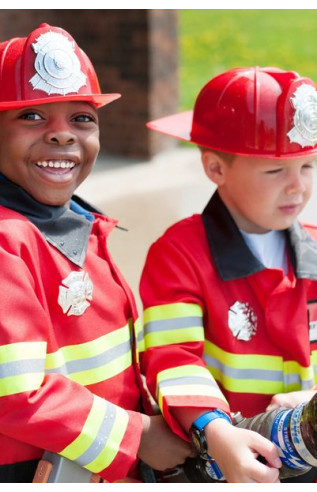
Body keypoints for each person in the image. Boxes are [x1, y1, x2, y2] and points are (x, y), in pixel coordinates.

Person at [0, 23, 191, 483]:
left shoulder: (79, 227)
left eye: (82, 118)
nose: (61, 135)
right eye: (32, 117)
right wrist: (138, 437)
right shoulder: (0, 248)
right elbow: (12, 395)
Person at [139, 66, 317, 483]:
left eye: (307, 166)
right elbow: (173, 358)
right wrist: (216, 432)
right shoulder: (178, 254)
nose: (297, 187)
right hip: (224, 459)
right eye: (276, 171)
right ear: (216, 168)